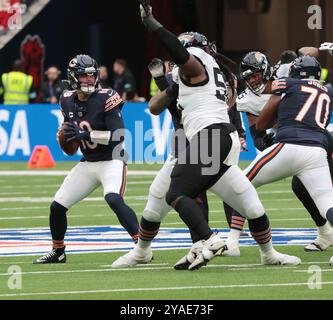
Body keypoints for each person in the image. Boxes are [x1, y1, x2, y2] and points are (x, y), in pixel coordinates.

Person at [136, 1, 300, 270]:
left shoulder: (196, 63)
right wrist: (165, 84)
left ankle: (209, 239)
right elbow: (155, 107)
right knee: (249, 202)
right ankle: (269, 253)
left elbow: (180, 55)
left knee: (176, 192)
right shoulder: (211, 73)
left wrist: (153, 26)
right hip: (220, 138)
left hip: (210, 136)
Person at [225, 51, 333, 256]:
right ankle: (325, 232)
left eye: (257, 74)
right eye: (250, 77)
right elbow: (257, 134)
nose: (254, 79)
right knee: (326, 202)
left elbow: (262, 124)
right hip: (317, 147)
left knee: (241, 183)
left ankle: (232, 241)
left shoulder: (285, 81)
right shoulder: (327, 90)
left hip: (291, 142)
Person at [33, 54, 139, 264]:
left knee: (113, 198)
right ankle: (58, 251)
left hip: (112, 159)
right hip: (88, 162)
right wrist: (65, 138)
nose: (89, 80)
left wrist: (87, 136)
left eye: (92, 75)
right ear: (73, 77)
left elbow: (119, 136)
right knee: (57, 206)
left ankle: (141, 246)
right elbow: (70, 138)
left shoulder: (106, 96)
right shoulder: (66, 99)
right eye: (84, 76)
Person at [112, 57, 210, 268]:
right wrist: (163, 82)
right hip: (189, 148)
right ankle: (142, 251)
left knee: (242, 195)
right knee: (155, 202)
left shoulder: (208, 82)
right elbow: (166, 106)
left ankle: (215, 241)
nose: (176, 67)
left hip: (209, 147)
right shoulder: (186, 80)